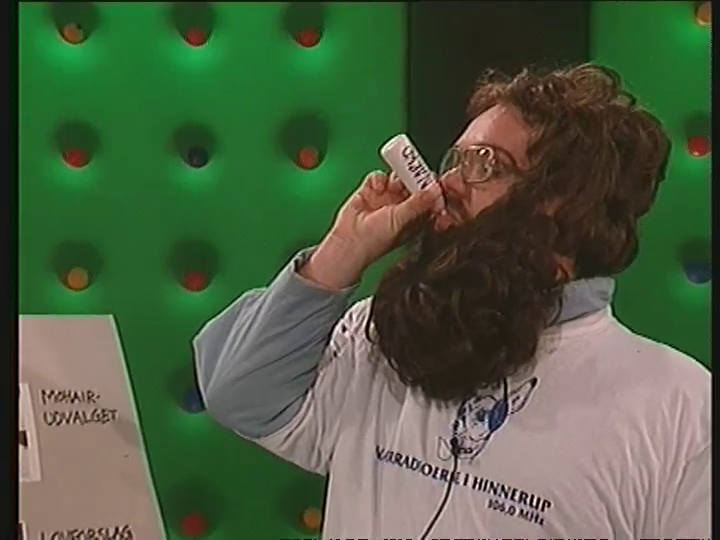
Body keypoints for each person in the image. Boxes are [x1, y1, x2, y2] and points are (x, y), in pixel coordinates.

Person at [193, 64, 710, 538]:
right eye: (455, 160)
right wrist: (342, 251)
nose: (446, 185)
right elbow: (237, 393)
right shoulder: (382, 337)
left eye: (485, 164)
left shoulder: (679, 408)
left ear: (562, 205)